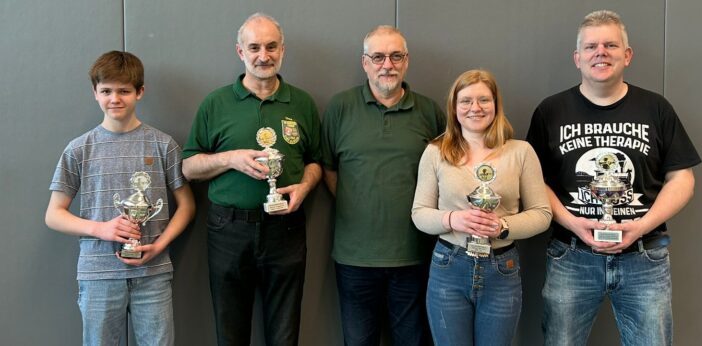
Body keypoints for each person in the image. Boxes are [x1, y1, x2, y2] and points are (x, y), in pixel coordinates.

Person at [525, 10, 701, 346]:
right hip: (571, 256)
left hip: (644, 257)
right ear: (577, 58)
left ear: (627, 55)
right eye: (591, 47)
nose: (600, 52)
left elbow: (682, 179)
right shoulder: (551, 111)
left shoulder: (656, 108)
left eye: (610, 45)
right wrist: (573, 223)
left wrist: (643, 225)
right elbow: (534, 182)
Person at [181, 12, 322, 346]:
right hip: (228, 229)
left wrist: (305, 185)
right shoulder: (215, 103)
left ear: (282, 50)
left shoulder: (301, 103)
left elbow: (317, 161)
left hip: (286, 229)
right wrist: (231, 159)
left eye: (271, 46)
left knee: (285, 332)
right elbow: (188, 168)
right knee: (230, 331)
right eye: (254, 47)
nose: (264, 55)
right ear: (240, 52)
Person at [45, 50, 195, 345]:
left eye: (124, 91)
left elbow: (187, 206)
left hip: (153, 273)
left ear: (140, 92)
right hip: (97, 275)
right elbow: (53, 214)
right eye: (107, 91)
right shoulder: (79, 149)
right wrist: (101, 229)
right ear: (95, 93)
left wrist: (160, 245)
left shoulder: (163, 145)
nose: (115, 98)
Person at [321, 25, 446, 346]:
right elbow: (329, 170)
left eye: (395, 56)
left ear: (407, 61)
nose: (386, 64)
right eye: (377, 57)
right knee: (359, 341)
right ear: (364, 62)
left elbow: (447, 175)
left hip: (415, 253)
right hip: (354, 257)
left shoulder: (430, 111)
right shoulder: (340, 108)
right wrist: (359, 200)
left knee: (413, 340)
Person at [412, 69, 552, 345]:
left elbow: (542, 213)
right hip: (448, 266)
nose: (475, 108)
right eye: (466, 101)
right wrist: (453, 220)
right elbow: (419, 214)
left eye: (484, 100)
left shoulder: (521, 151)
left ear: (496, 105)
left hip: (502, 268)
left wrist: (503, 226)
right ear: (454, 107)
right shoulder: (436, 151)